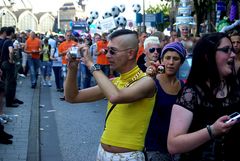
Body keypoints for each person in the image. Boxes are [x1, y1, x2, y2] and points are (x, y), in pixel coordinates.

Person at [64, 29, 157, 161]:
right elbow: (72, 97)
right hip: (102, 153)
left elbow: (115, 97)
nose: (107, 55)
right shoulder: (115, 82)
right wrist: (72, 69)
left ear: (130, 53)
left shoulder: (147, 82)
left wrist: (91, 64)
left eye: (112, 51)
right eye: (107, 50)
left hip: (128, 156)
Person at [167, 32, 240, 161]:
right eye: (226, 50)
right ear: (207, 56)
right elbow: (173, 145)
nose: (233, 55)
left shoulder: (236, 88)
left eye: (233, 50)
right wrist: (212, 131)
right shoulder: (191, 93)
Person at [144, 42, 186, 161]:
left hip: (178, 147)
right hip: (155, 147)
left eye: (176, 59)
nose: (171, 62)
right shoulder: (152, 82)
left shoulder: (184, 87)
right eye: (167, 58)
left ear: (181, 62)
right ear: (162, 60)